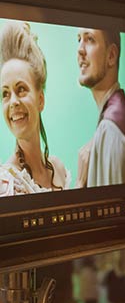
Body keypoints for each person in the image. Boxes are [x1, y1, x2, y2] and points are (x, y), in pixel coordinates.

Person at [0, 22, 70, 194]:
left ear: (40, 100)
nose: (13, 102)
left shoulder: (59, 169)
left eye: (21, 89)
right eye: (5, 93)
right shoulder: (6, 184)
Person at [76, 28, 125, 187]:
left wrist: (80, 185)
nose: (80, 49)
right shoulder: (111, 121)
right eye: (78, 39)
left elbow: (116, 209)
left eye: (90, 39)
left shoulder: (110, 130)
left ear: (111, 56)